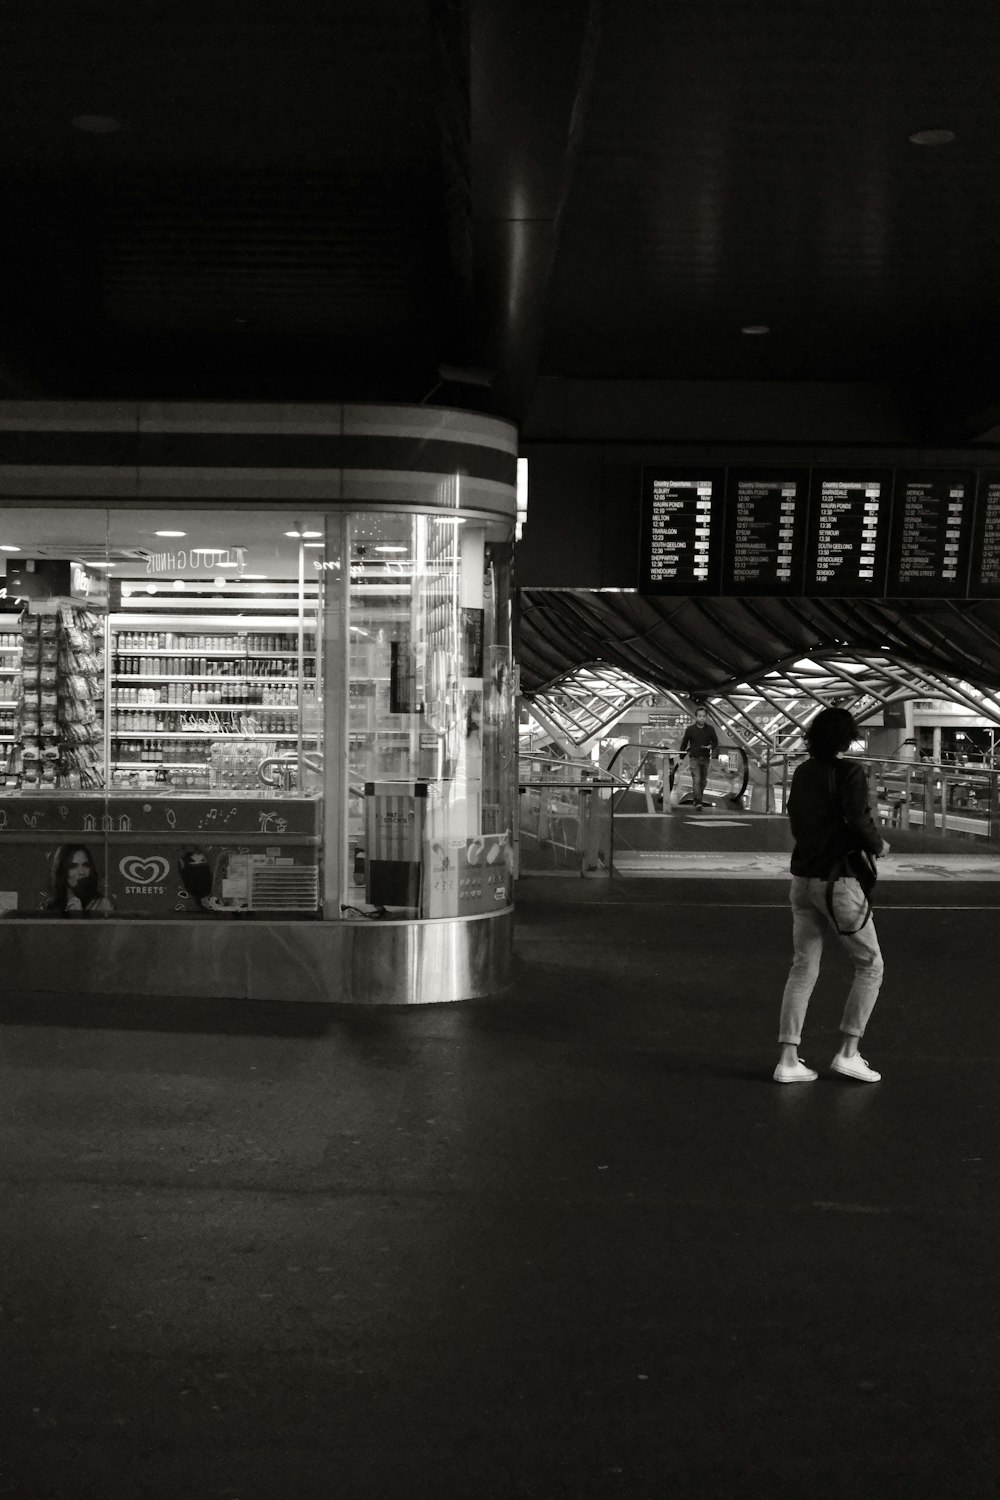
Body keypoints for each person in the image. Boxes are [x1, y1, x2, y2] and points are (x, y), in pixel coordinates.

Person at [774, 708, 889, 1085]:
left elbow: (796, 818)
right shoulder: (849, 772)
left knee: (803, 966)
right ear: (846, 738)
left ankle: (789, 1060)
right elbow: (859, 819)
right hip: (838, 880)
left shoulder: (804, 771)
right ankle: (848, 1053)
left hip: (803, 878)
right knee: (870, 964)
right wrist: (879, 845)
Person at [47, 844, 114, 916]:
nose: (81, 872)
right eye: (73, 866)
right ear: (62, 871)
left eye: (86, 865)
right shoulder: (48, 907)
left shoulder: (103, 905)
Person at [678, 705, 719, 810]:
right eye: (700, 716)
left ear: (706, 717)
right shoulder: (690, 729)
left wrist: (711, 746)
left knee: (703, 781)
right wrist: (681, 758)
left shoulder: (710, 729)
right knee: (697, 779)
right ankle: (699, 802)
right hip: (694, 758)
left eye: (704, 716)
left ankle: (697, 799)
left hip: (705, 758)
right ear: (696, 717)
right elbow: (684, 743)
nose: (702, 718)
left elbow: (715, 741)